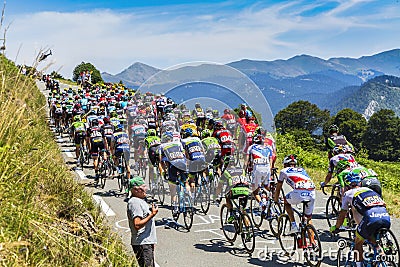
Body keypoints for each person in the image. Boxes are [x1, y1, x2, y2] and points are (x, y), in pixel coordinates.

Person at [330, 172, 390, 267]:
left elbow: (342, 214)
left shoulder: (348, 194)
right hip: (386, 217)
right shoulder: (369, 190)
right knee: (371, 238)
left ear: (347, 185)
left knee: (358, 242)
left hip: (371, 219)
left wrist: (336, 227)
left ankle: (359, 265)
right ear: (360, 183)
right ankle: (381, 253)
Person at [274, 154, 316, 234]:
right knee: (308, 219)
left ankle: (293, 225)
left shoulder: (283, 171)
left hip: (299, 192)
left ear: (285, 164)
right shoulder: (302, 170)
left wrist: (276, 199)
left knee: (286, 202)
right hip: (312, 193)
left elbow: (278, 187)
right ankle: (313, 243)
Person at [127, 176, 158, 267]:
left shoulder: (139, 201)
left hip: (146, 243)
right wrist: (152, 214)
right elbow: (137, 224)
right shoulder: (135, 203)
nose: (146, 189)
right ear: (136, 189)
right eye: (143, 187)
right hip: (142, 243)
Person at [245, 134, 273, 210]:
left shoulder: (251, 147)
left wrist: (244, 171)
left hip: (257, 168)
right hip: (267, 167)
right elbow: (271, 159)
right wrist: (270, 169)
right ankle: (274, 196)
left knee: (255, 191)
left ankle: (262, 203)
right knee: (266, 186)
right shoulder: (268, 147)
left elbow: (246, 161)